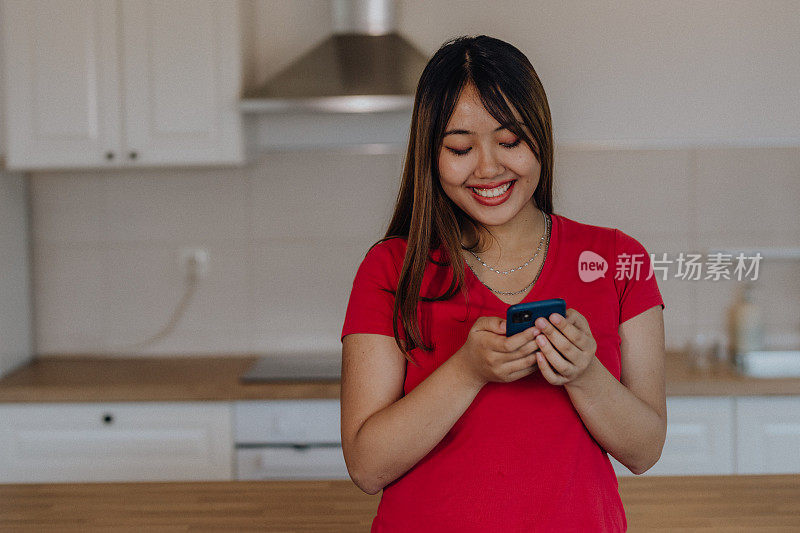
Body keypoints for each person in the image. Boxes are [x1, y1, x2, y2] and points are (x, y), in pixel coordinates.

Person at [339, 34, 666, 532]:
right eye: (460, 148)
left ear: (540, 136)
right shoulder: (391, 269)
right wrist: (468, 370)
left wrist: (584, 373)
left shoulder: (619, 260)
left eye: (510, 141)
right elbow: (367, 466)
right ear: (431, 155)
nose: (489, 167)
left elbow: (644, 450)